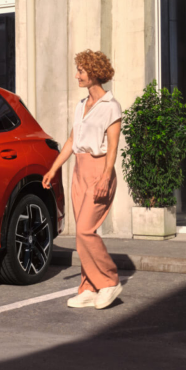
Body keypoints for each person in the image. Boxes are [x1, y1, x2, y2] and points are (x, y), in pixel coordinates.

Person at [42, 49, 123, 310]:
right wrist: (53, 169)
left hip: (100, 171)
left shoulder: (111, 107)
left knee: (87, 230)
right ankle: (88, 287)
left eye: (81, 71)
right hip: (79, 171)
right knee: (81, 233)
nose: (77, 75)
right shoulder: (80, 105)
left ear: (94, 74)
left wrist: (105, 177)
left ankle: (109, 281)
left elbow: (112, 147)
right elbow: (71, 141)